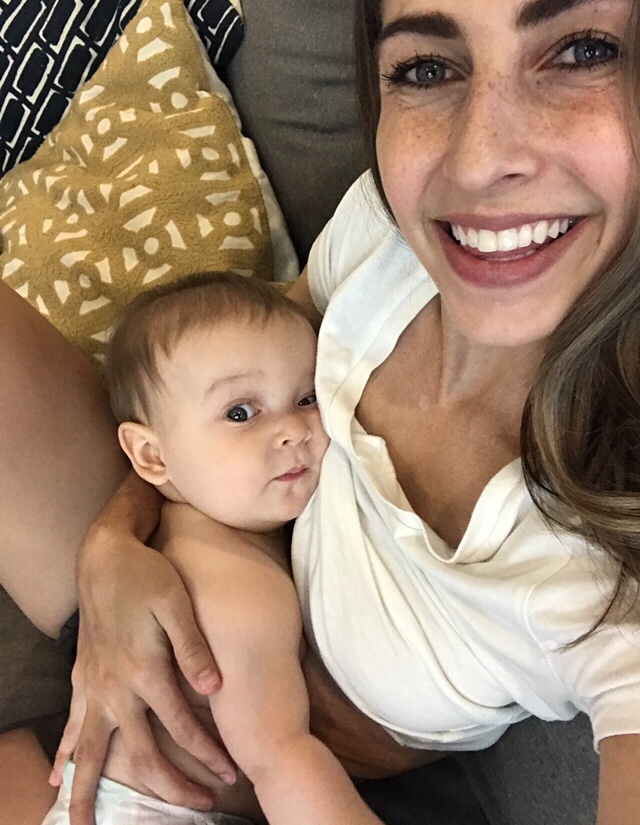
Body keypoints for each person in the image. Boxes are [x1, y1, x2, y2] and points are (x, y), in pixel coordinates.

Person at [4, 0, 640, 823]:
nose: (480, 160)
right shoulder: (395, 223)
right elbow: (241, 367)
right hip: (183, 552)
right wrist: (117, 541)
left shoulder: (608, 569)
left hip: (247, 765)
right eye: (426, 68)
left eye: (583, 52)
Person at [42, 271, 396, 825]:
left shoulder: (196, 532)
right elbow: (281, 759)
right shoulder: (235, 584)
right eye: (240, 413)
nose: (292, 428)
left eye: (306, 397)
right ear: (152, 456)